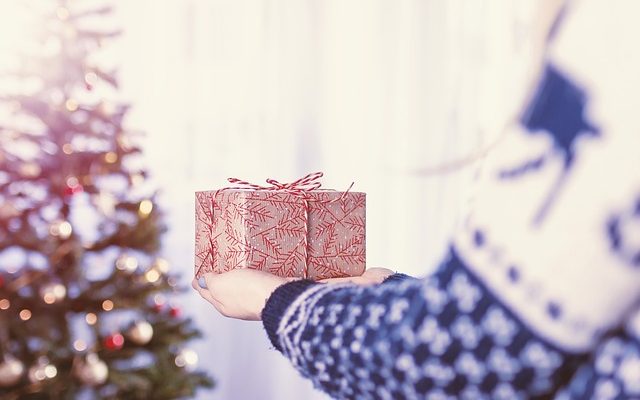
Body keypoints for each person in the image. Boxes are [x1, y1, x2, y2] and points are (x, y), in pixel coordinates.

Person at [193, 0, 640, 398]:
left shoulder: (613, 36)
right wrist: (395, 289)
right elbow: (527, 322)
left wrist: (270, 298)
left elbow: (454, 356)